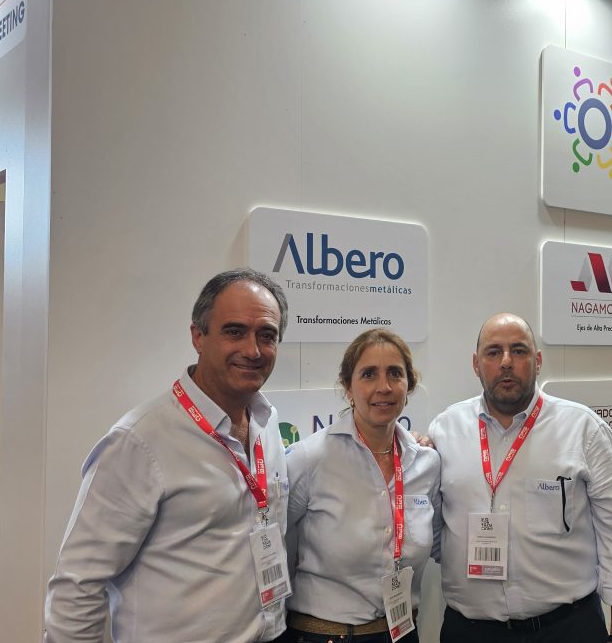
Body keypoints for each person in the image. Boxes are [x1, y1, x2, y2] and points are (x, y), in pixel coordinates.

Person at [45, 269, 292, 642]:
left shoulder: (266, 422)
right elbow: (76, 588)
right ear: (198, 336)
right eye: (234, 331)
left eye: (266, 335)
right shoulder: (139, 441)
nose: (252, 350)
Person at [429, 313, 612, 643]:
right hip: (471, 631)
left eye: (518, 351)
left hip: (567, 628)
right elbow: (431, 530)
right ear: (476, 364)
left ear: (538, 361)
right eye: (493, 352)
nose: (506, 362)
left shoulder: (584, 430)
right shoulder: (444, 430)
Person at [282, 328, 441, 643]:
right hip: (325, 635)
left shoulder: (426, 464)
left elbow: (439, 542)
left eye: (395, 373)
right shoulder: (309, 459)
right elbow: (280, 548)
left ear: (409, 385)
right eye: (369, 374)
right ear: (348, 387)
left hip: (401, 633)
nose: (384, 387)